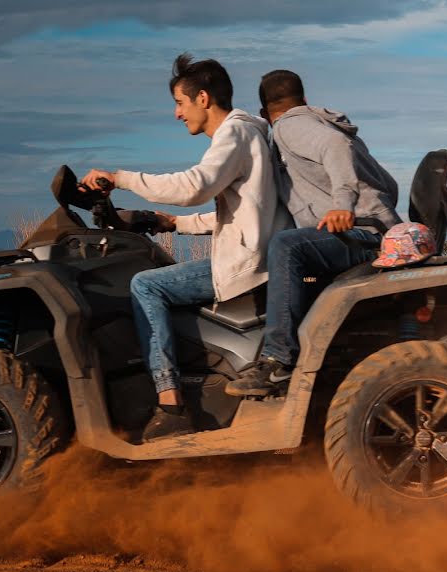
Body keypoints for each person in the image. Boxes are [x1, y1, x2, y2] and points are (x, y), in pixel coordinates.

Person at [81, 53, 292, 440]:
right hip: (256, 250)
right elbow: (242, 213)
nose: (177, 114)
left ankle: (170, 403)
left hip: (246, 261)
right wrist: (172, 223)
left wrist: (119, 178)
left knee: (146, 285)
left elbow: (196, 185)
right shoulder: (253, 132)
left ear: (204, 98)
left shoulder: (234, 133)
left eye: (180, 103)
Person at [225, 69, 401, 398]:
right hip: (379, 230)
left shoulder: (291, 125)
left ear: (265, 113)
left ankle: (278, 359)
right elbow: (388, 185)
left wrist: (343, 205)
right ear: (304, 98)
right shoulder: (330, 126)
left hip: (362, 235)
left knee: (286, 247)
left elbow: (333, 147)